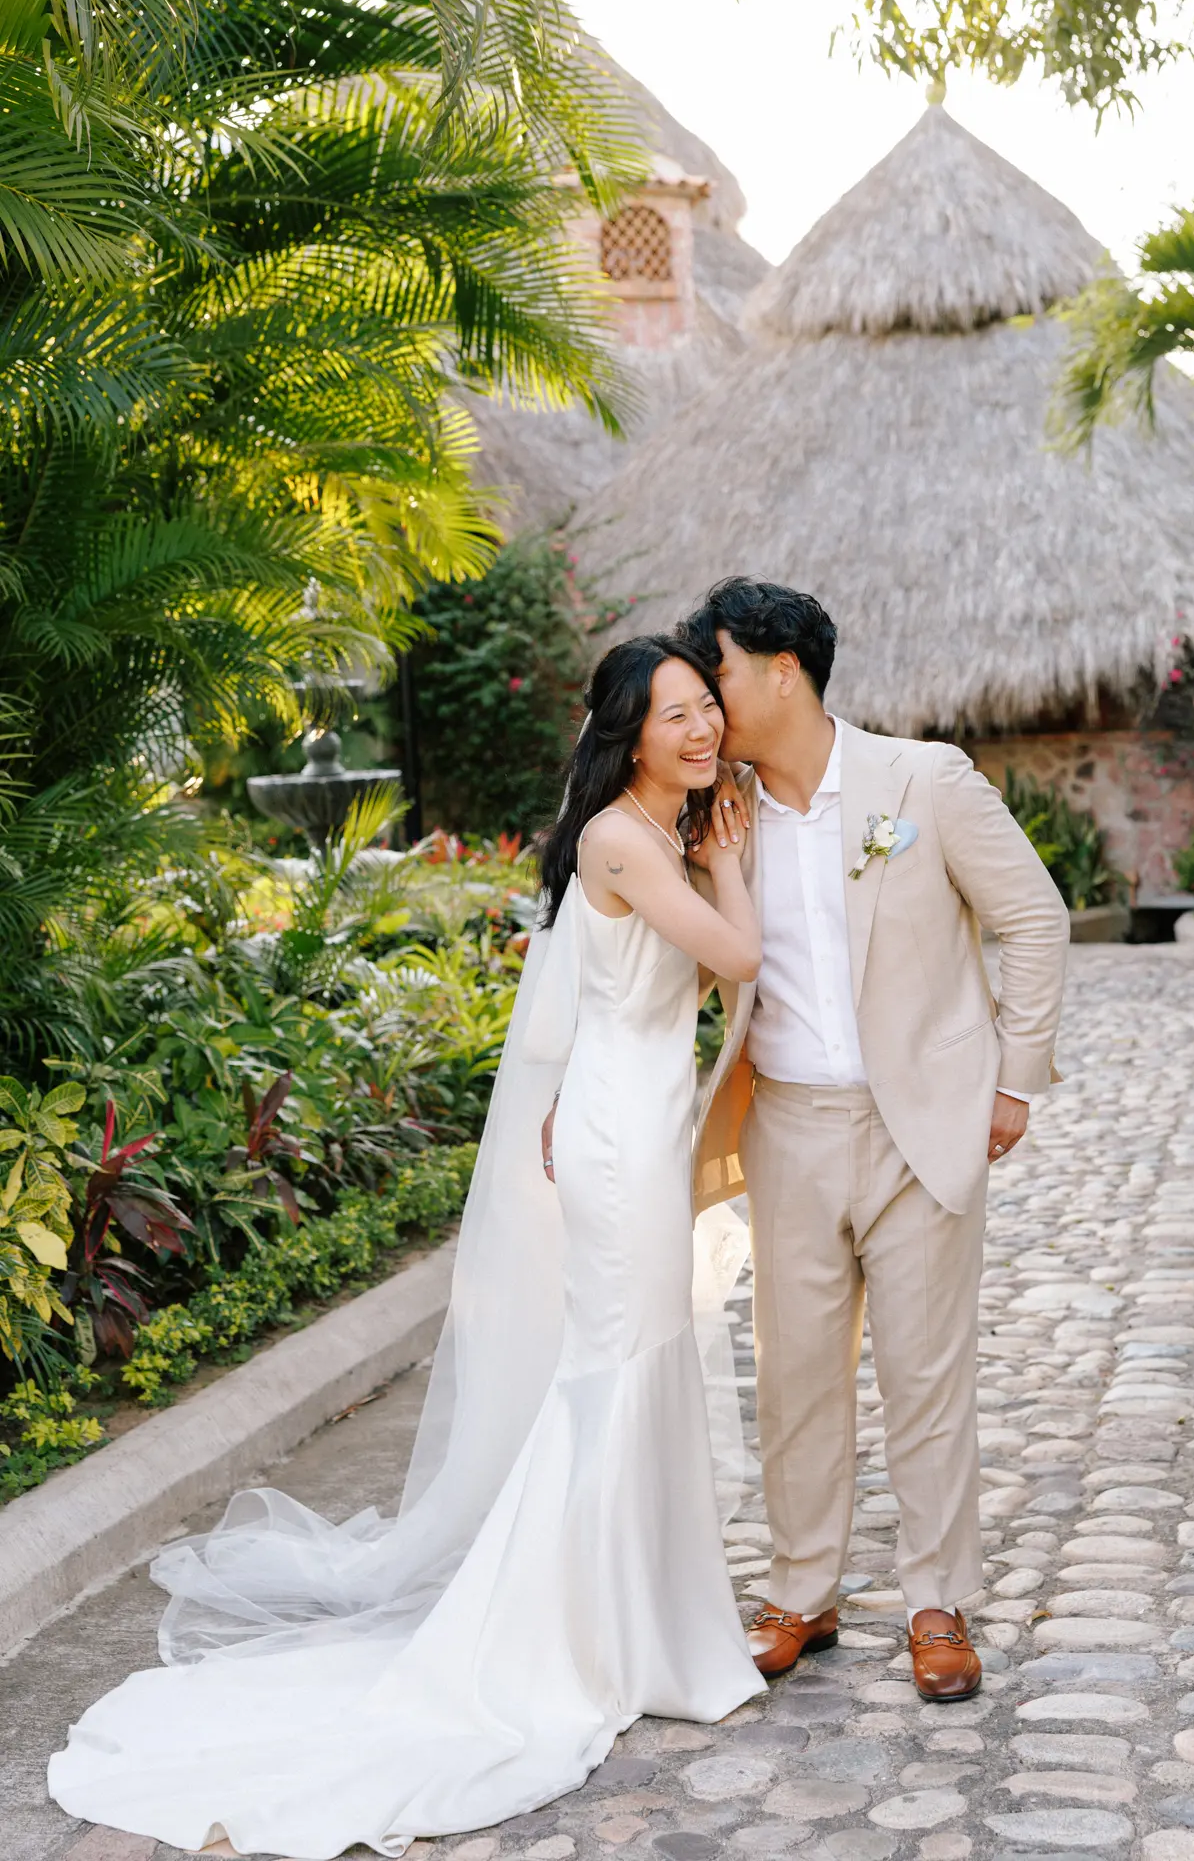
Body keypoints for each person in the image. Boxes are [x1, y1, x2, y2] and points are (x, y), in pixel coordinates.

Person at [48, 634, 765, 1861]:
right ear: (625, 734)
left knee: (647, 1359)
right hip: (612, 1136)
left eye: (708, 707)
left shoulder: (659, 833)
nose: (702, 730)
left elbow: (638, 997)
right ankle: (575, 1634)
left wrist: (709, 850)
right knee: (619, 1364)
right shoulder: (621, 840)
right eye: (677, 715)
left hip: (631, 1110)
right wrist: (737, 857)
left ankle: (648, 1623)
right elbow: (737, 958)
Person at [679, 577, 1069, 1701]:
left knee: (924, 1371)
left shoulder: (923, 779)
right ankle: (802, 1589)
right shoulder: (724, 812)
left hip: (919, 1128)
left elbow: (1032, 918)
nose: (709, 704)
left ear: (780, 670)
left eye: (720, 676)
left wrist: (1015, 1079)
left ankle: (936, 1602)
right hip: (787, 1127)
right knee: (795, 1372)